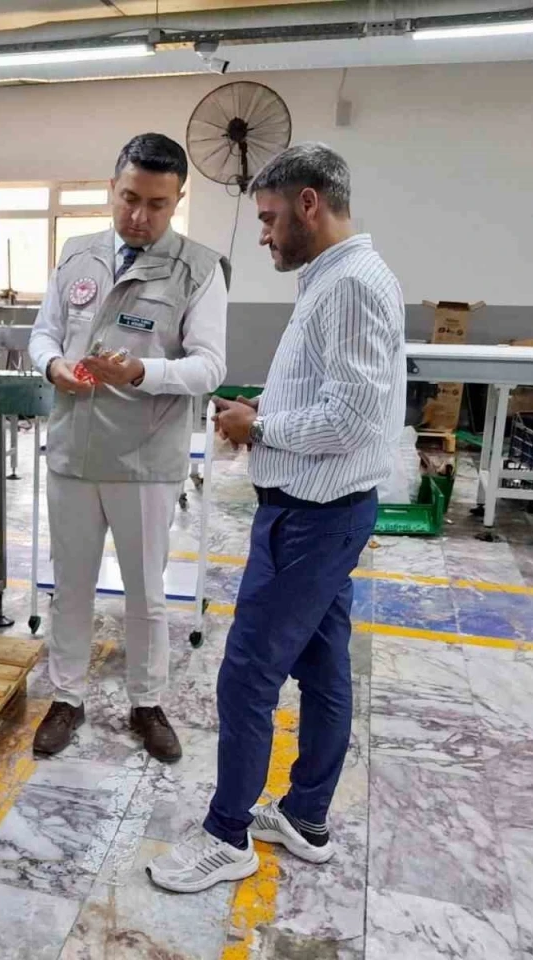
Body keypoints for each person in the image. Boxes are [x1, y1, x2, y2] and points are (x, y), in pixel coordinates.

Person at [147, 143, 405, 892]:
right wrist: (265, 409)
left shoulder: (350, 285)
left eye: (268, 217)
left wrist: (258, 428)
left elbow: (352, 420)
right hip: (323, 510)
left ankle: (226, 836)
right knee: (322, 669)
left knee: (246, 677)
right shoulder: (339, 276)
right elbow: (334, 395)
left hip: (313, 518)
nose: (262, 234)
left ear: (309, 204)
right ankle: (307, 817)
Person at [28, 133, 229, 764]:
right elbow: (43, 333)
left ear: (178, 201)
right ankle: (67, 696)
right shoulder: (77, 254)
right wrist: (54, 365)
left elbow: (210, 366)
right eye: (129, 198)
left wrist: (143, 372)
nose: (139, 216)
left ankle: (147, 703)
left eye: (157, 204)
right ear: (112, 188)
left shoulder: (198, 269)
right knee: (71, 584)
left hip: (145, 458)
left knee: (145, 591)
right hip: (73, 451)